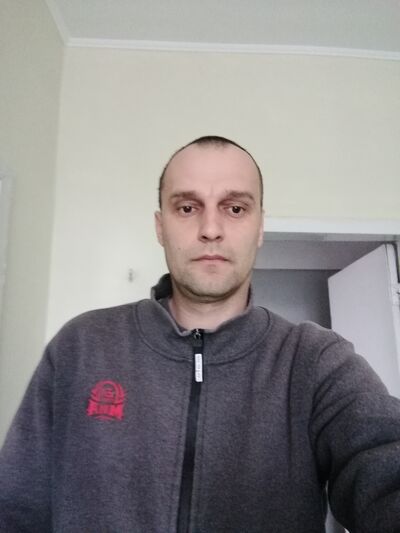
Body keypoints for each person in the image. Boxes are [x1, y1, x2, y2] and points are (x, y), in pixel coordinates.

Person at [0, 136, 400, 533]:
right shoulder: (81, 347)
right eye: (187, 208)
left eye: (235, 208)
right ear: (160, 227)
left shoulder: (316, 361)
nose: (210, 229)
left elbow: (385, 465)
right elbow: (14, 510)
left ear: (260, 227)